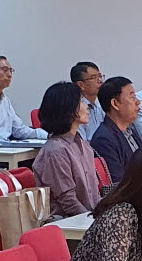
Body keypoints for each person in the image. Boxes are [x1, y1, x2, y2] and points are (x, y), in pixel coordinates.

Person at [31, 81, 102, 216]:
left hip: (88, 217)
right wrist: (93, 221)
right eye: (81, 102)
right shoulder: (55, 151)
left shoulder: (83, 145)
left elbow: (94, 194)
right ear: (69, 109)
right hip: (68, 222)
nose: (86, 106)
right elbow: (68, 202)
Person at [88, 75, 142, 182]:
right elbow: (118, 182)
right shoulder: (103, 139)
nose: (138, 102)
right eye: (132, 97)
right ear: (115, 104)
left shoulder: (130, 129)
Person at [70, 61, 105, 141]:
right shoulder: (76, 111)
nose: (100, 81)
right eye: (93, 78)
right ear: (81, 85)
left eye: (100, 76)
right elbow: (81, 142)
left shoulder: (101, 106)